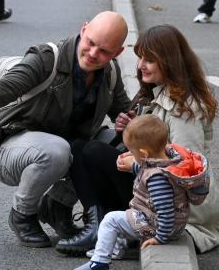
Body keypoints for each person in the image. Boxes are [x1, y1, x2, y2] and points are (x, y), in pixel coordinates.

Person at [0, 12, 135, 248]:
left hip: (59, 151)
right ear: (83, 30)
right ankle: (22, 215)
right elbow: (13, 83)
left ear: (118, 53)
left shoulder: (110, 73)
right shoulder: (47, 58)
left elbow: (125, 112)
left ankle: (57, 207)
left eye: (104, 51)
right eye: (90, 43)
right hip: (7, 149)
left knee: (113, 144)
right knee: (58, 150)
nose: (93, 54)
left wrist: (132, 123)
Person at [63, 24, 219, 258]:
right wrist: (130, 132)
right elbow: (154, 147)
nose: (140, 66)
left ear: (169, 61)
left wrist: (135, 164)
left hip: (175, 208)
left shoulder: (182, 109)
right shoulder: (161, 92)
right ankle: (100, 224)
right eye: (140, 58)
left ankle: (113, 229)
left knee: (94, 152)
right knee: (81, 148)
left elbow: (185, 168)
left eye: (149, 60)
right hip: (156, 190)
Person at [74, 115, 208, 270]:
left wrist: (160, 238)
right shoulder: (169, 162)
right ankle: (114, 248)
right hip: (171, 225)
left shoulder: (157, 180)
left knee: (111, 220)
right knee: (124, 218)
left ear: (144, 153)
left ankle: (99, 262)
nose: (131, 154)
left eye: (132, 151)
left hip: (157, 226)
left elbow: (165, 210)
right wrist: (133, 167)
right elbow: (149, 170)